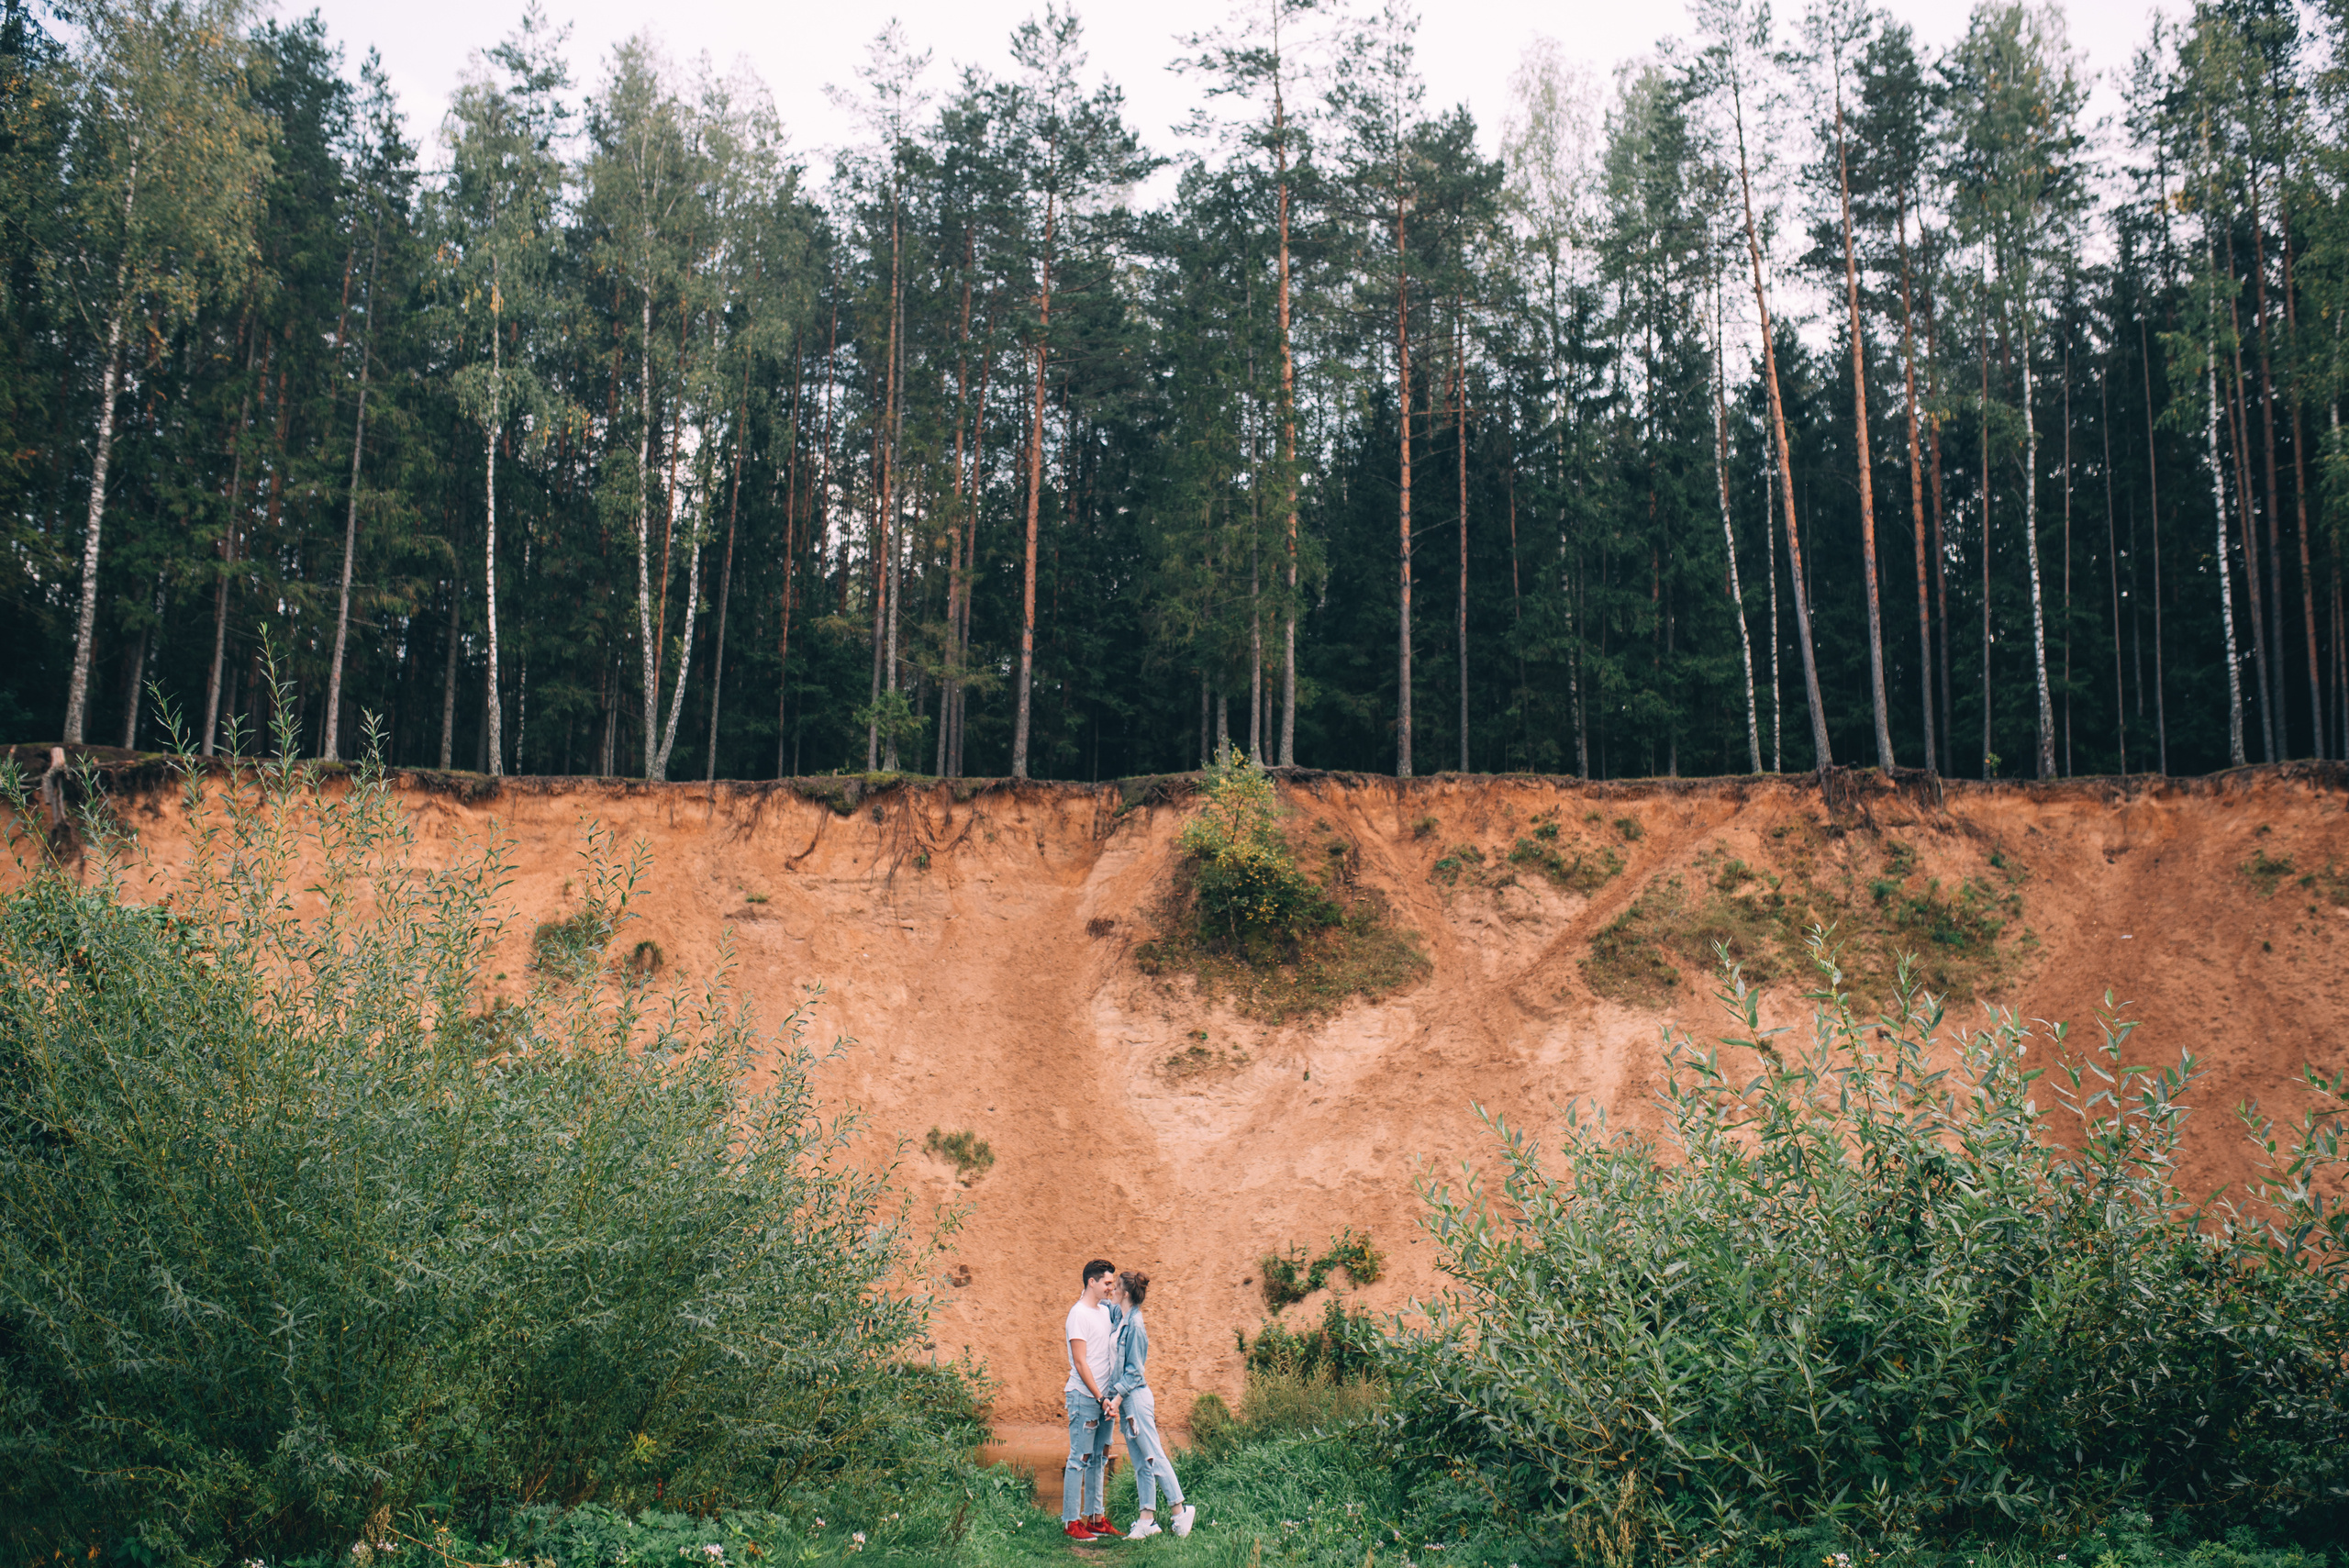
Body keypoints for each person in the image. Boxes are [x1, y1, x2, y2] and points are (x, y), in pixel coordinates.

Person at [1105, 1270, 1196, 1540]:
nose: (1112, 1290)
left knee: (1153, 1455)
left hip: (1135, 1400)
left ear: (1126, 1293)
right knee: (1141, 1461)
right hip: (1127, 1402)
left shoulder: (1136, 1326)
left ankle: (1180, 1510)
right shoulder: (1120, 1318)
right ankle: (1147, 1520)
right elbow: (1100, 1307)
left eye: (1116, 1287)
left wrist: (1117, 1398)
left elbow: (1135, 1371)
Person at [1061, 1258, 1121, 1541]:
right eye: (1108, 1283)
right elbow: (1081, 1363)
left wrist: (1111, 1397)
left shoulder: (1104, 1311)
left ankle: (1096, 1518)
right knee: (1079, 1459)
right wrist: (1100, 1397)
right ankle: (1071, 1522)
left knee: (1101, 1458)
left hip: (1105, 1400)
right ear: (1092, 1282)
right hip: (1086, 1397)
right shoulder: (1078, 1315)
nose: (1112, 1288)